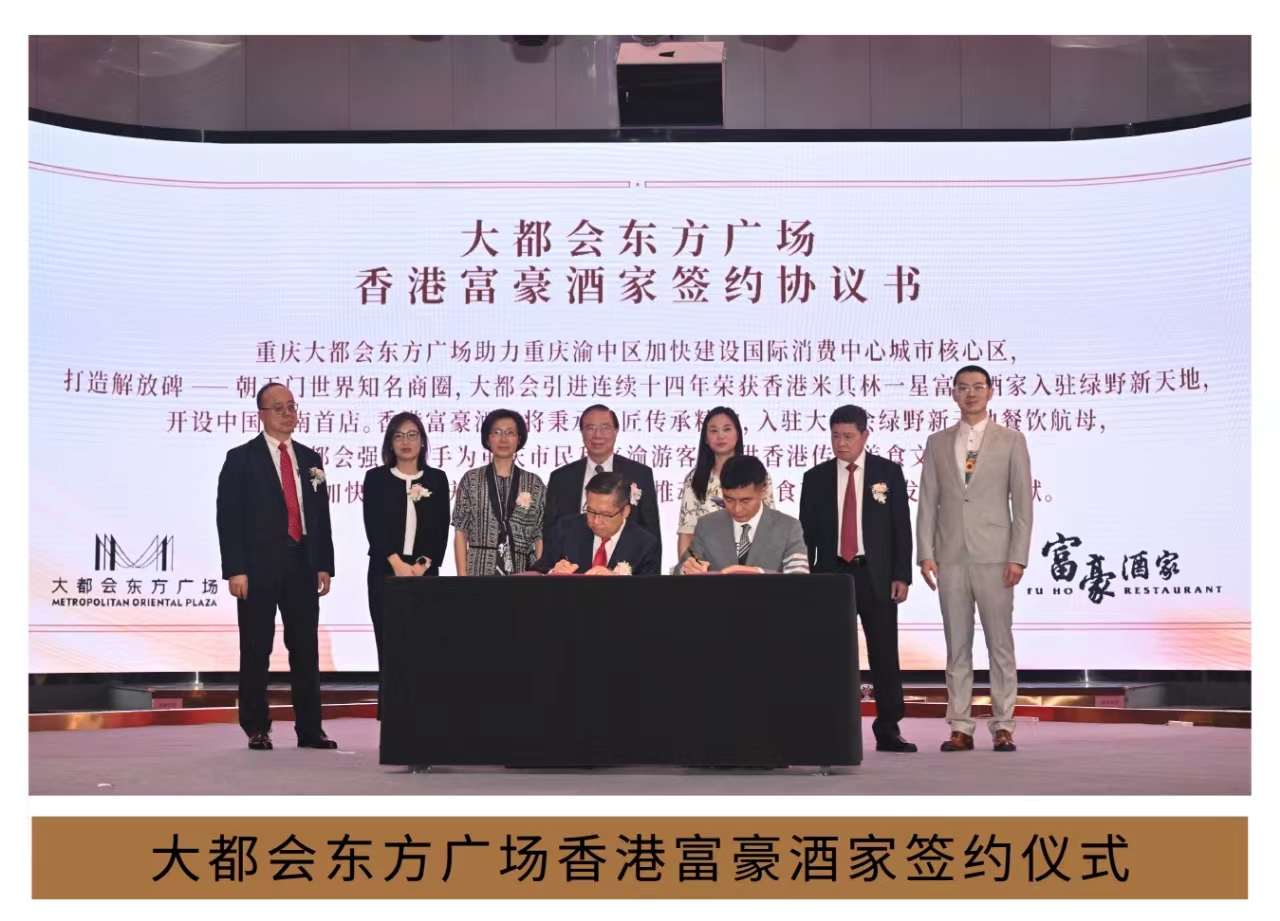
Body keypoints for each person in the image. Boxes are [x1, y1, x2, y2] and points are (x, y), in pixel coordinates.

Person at [917, 365, 1033, 753]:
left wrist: (1018, 556)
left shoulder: (1011, 440)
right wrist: (925, 552)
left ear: (990, 392)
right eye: (963, 387)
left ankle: (1003, 725)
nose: (971, 394)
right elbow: (928, 500)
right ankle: (960, 726)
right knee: (957, 645)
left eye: (978, 387)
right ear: (953, 393)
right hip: (950, 555)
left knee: (1000, 645)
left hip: (996, 556)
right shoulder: (937, 442)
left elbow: (1022, 503)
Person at [215, 383, 337, 751]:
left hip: (302, 562)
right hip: (257, 568)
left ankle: (310, 729)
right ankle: (256, 726)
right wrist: (235, 569)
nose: (288, 414)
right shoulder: (241, 458)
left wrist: (324, 563)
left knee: (306, 648)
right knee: (256, 648)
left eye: (292, 406)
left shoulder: (310, 459)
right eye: (279, 408)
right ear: (262, 415)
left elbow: (320, 516)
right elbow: (228, 518)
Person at [799, 405, 916, 753]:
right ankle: (831, 727)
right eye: (835, 436)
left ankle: (888, 728)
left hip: (876, 575)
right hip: (831, 574)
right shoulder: (815, 477)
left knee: (884, 652)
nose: (841, 443)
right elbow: (805, 533)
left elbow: (901, 528)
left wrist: (902, 575)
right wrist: (806, 576)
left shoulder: (888, 473)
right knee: (831, 654)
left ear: (865, 435)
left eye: (849, 436)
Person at [361, 412, 450, 719]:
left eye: (412, 435)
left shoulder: (436, 479)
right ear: (390, 443)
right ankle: (391, 713)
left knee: (424, 643)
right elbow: (373, 525)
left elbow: (440, 527)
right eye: (398, 435)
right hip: (386, 571)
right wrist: (396, 562)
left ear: (423, 441)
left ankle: (423, 712)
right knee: (389, 643)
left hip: (424, 573)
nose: (406, 441)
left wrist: (422, 565)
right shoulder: (376, 478)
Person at [544, 404, 662, 558]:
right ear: (582, 432)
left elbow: (651, 533)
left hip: (625, 566)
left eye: (605, 428)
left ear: (616, 431)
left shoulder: (639, 474)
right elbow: (550, 532)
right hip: (571, 565)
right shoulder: (561, 477)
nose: (597, 435)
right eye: (590, 428)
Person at [452, 409, 546, 576]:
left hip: (523, 572)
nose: (503, 439)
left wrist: (542, 577)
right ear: (487, 439)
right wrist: (462, 578)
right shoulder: (471, 479)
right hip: (479, 571)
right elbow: (461, 532)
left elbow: (540, 535)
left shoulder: (534, 483)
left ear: (519, 439)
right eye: (496, 432)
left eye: (510, 433)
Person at [678, 455, 808, 575]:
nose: (737, 509)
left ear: (763, 490)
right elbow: (681, 568)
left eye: (745, 501)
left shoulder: (788, 527)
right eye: (729, 500)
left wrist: (758, 573)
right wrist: (686, 569)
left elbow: (799, 577)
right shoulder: (707, 525)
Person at [676, 407, 774, 561]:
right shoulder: (695, 478)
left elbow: (770, 527)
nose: (720, 436)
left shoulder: (757, 474)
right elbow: (687, 533)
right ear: (706, 439)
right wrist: (685, 569)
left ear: (738, 435)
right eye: (714, 431)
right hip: (706, 566)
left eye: (727, 429)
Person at [534, 472, 661, 576]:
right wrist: (553, 572)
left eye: (605, 514)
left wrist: (619, 584)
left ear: (625, 511)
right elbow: (538, 570)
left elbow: (648, 593)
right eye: (591, 511)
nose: (596, 521)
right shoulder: (566, 529)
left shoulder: (645, 545)